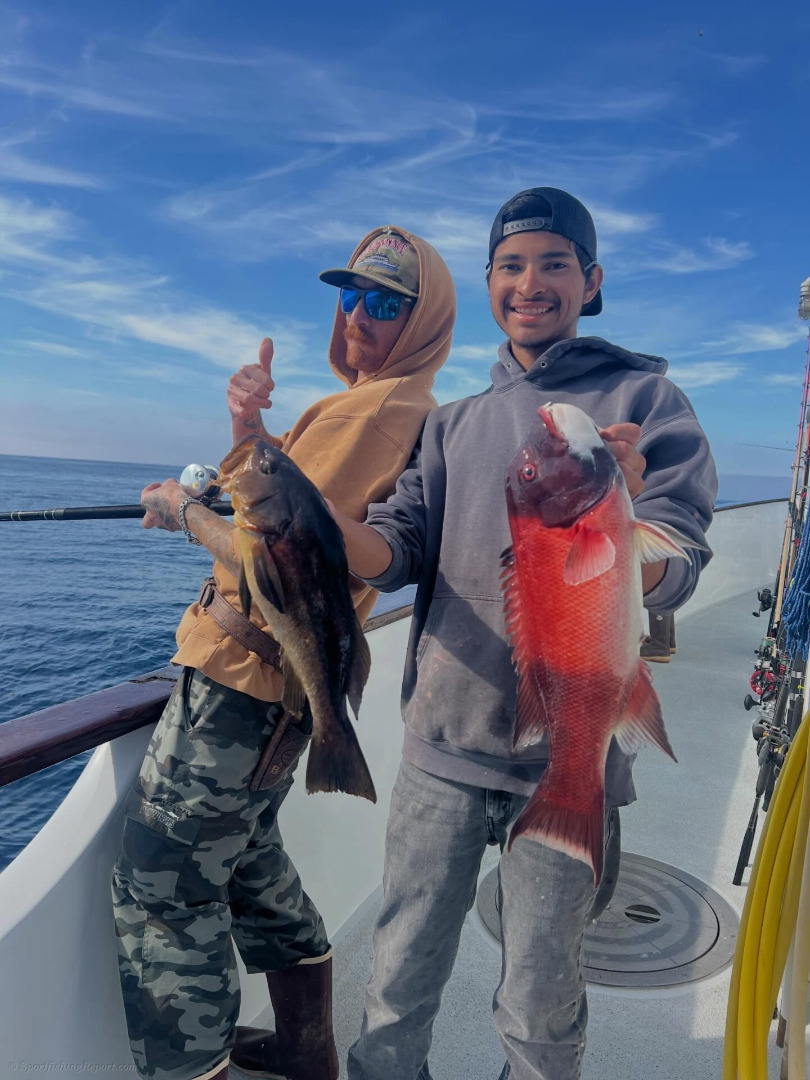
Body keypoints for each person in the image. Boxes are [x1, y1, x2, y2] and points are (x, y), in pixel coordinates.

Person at [327, 188, 718, 1080]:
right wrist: (319, 521)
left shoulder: (648, 398)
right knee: (397, 974)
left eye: (553, 264)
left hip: (567, 762)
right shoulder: (451, 423)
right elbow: (395, 551)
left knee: (542, 997)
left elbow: (683, 559)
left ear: (592, 281)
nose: (530, 282)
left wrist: (619, 527)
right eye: (510, 265)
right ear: (489, 283)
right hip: (442, 748)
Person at [111, 226, 456, 1080]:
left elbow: (270, 560)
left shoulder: (376, 412)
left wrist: (183, 513)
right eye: (351, 295)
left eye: (386, 304)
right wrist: (248, 428)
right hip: (285, 692)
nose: (358, 316)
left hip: (240, 686)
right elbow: (282, 512)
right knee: (248, 864)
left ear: (424, 320)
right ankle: (308, 1053)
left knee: (162, 891)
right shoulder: (391, 404)